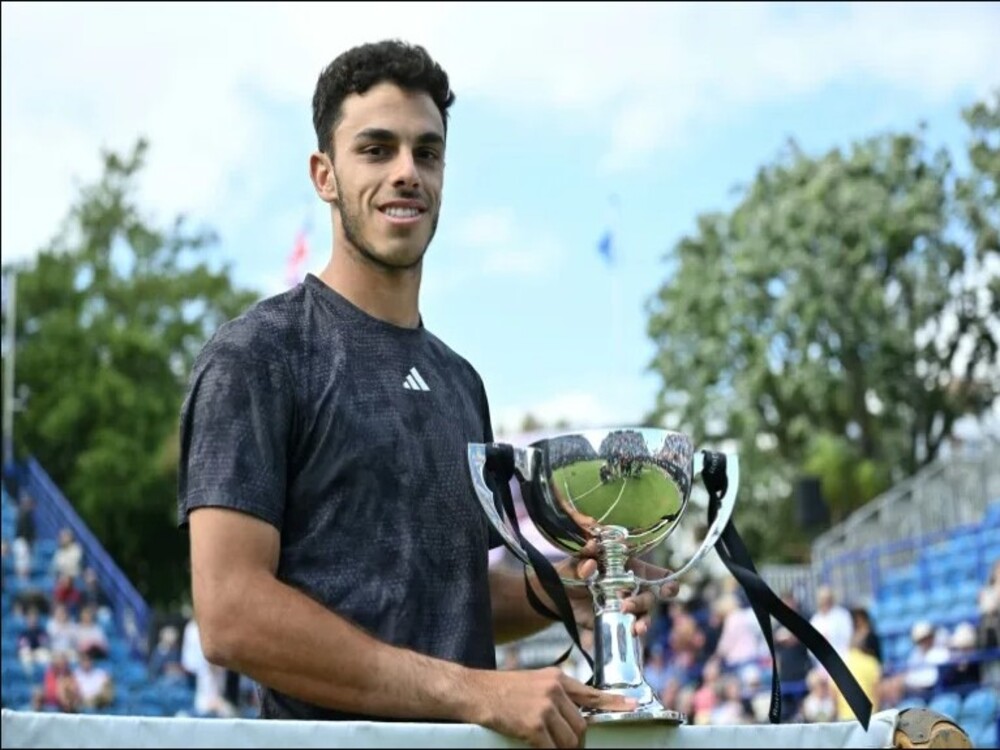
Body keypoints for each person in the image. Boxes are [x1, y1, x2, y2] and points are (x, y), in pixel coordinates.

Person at [178, 39, 672, 749]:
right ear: (325, 175)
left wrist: (563, 593)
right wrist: (474, 691)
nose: (406, 172)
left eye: (427, 152)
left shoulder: (460, 382)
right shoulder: (259, 355)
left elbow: (445, 596)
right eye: (376, 150)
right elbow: (231, 614)